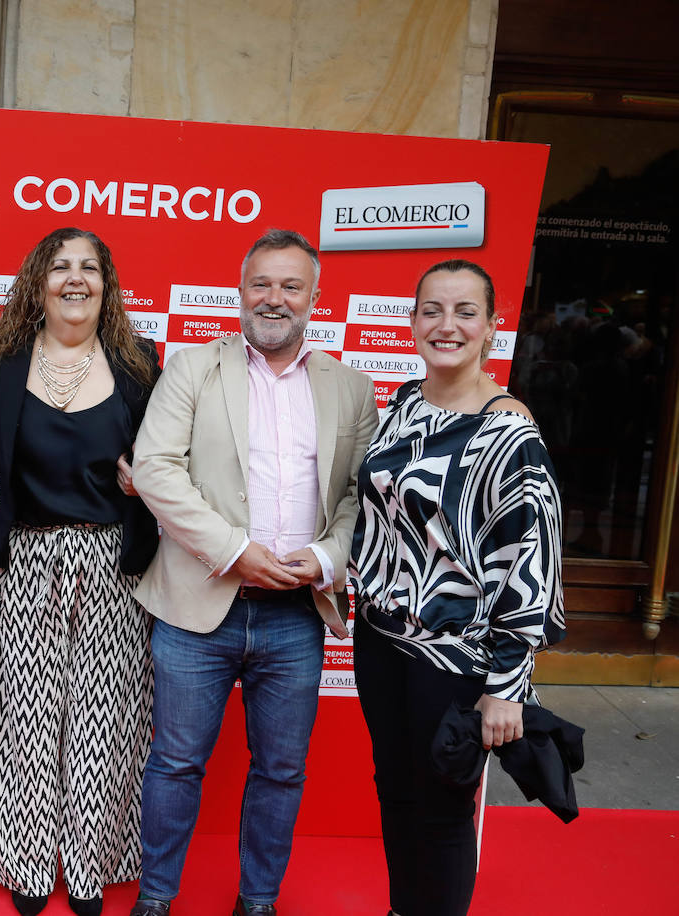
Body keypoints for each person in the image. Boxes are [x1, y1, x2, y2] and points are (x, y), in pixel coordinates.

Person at [128, 228, 377, 916]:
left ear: (315, 298)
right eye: (261, 284)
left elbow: (363, 497)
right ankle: (155, 899)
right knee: (176, 763)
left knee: (282, 769)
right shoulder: (191, 368)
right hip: (198, 603)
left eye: (290, 286)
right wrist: (236, 551)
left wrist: (328, 558)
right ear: (240, 293)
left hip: (298, 614)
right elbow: (154, 469)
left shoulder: (352, 389)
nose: (274, 299)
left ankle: (258, 901)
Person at [0, 226, 161, 916]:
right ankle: (29, 864)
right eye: (61, 267)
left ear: (108, 283)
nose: (76, 279)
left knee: (107, 722)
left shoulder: (141, 364)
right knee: (25, 720)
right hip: (29, 559)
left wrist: (148, 483)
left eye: (90, 268)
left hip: (114, 567)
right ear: (37, 282)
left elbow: (174, 467)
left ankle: (90, 869)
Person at [348, 259, 565, 916]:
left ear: (492, 328)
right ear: (412, 322)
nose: (447, 325)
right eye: (432, 310)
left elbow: (533, 564)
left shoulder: (508, 431)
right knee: (395, 792)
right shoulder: (404, 402)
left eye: (465, 311)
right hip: (381, 639)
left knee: (442, 810)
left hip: (458, 659)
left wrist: (506, 690)